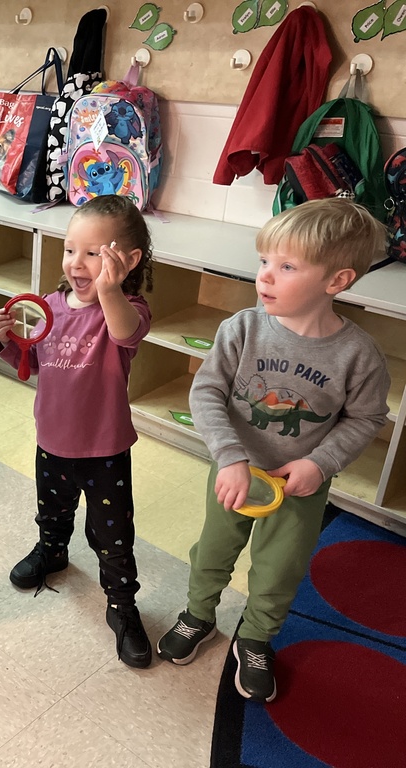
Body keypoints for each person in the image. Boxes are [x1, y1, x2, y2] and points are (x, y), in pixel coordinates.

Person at [157, 198, 390, 702]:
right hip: (234, 470)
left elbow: (367, 417)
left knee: (279, 567)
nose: (265, 276)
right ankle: (199, 615)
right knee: (213, 551)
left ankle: (256, 637)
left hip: (300, 486)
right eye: (264, 261)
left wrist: (319, 463)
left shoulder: (358, 355)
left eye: (286, 267)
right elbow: (207, 392)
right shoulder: (242, 328)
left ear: (337, 281)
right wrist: (230, 456)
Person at [0, 194, 155, 668]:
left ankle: (122, 605)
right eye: (69, 250)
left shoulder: (128, 308)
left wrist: (108, 289)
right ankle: (52, 550)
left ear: (128, 260)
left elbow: (125, 333)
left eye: (93, 252)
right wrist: (6, 338)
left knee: (113, 533)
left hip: (105, 449)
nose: (76, 263)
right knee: (52, 509)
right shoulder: (48, 307)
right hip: (53, 441)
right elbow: (33, 363)